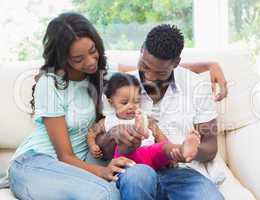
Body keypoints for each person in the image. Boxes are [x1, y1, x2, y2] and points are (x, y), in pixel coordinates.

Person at [7, 12, 153, 200]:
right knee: (105, 194)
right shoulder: (51, 84)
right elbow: (65, 155)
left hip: (76, 169)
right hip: (34, 162)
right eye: (78, 59)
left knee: (123, 189)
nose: (91, 61)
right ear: (62, 58)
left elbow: (148, 71)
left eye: (93, 50)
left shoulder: (106, 75)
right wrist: (101, 171)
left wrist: (197, 70)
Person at [97, 24, 225, 200]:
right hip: (136, 167)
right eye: (145, 66)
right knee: (137, 178)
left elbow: (210, 147)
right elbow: (101, 145)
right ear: (141, 49)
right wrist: (113, 135)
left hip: (181, 173)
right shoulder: (119, 85)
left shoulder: (197, 86)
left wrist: (185, 151)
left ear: (176, 63)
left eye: (159, 72)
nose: (149, 76)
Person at [87, 72, 201, 170]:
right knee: (123, 147)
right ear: (111, 102)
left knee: (162, 148)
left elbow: (160, 137)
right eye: (124, 103)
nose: (131, 106)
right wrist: (92, 145)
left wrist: (169, 152)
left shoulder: (146, 118)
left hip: (150, 154)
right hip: (127, 160)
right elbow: (92, 132)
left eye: (136, 101)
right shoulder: (108, 120)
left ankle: (183, 150)